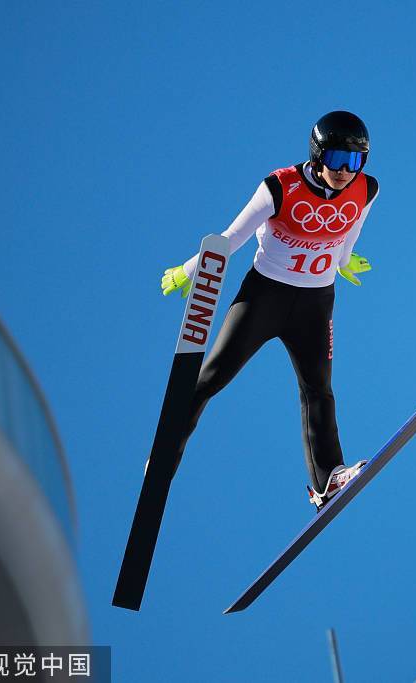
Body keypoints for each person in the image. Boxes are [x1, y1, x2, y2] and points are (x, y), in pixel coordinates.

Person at [159, 110, 379, 511]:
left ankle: (327, 480)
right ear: (317, 155)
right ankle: (164, 459)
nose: (346, 171)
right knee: (210, 378)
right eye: (337, 160)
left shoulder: (367, 188)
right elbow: (232, 237)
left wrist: (343, 260)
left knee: (318, 391)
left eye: (355, 161)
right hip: (265, 297)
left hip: (315, 303)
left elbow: (352, 229)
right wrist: (190, 270)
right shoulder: (280, 187)